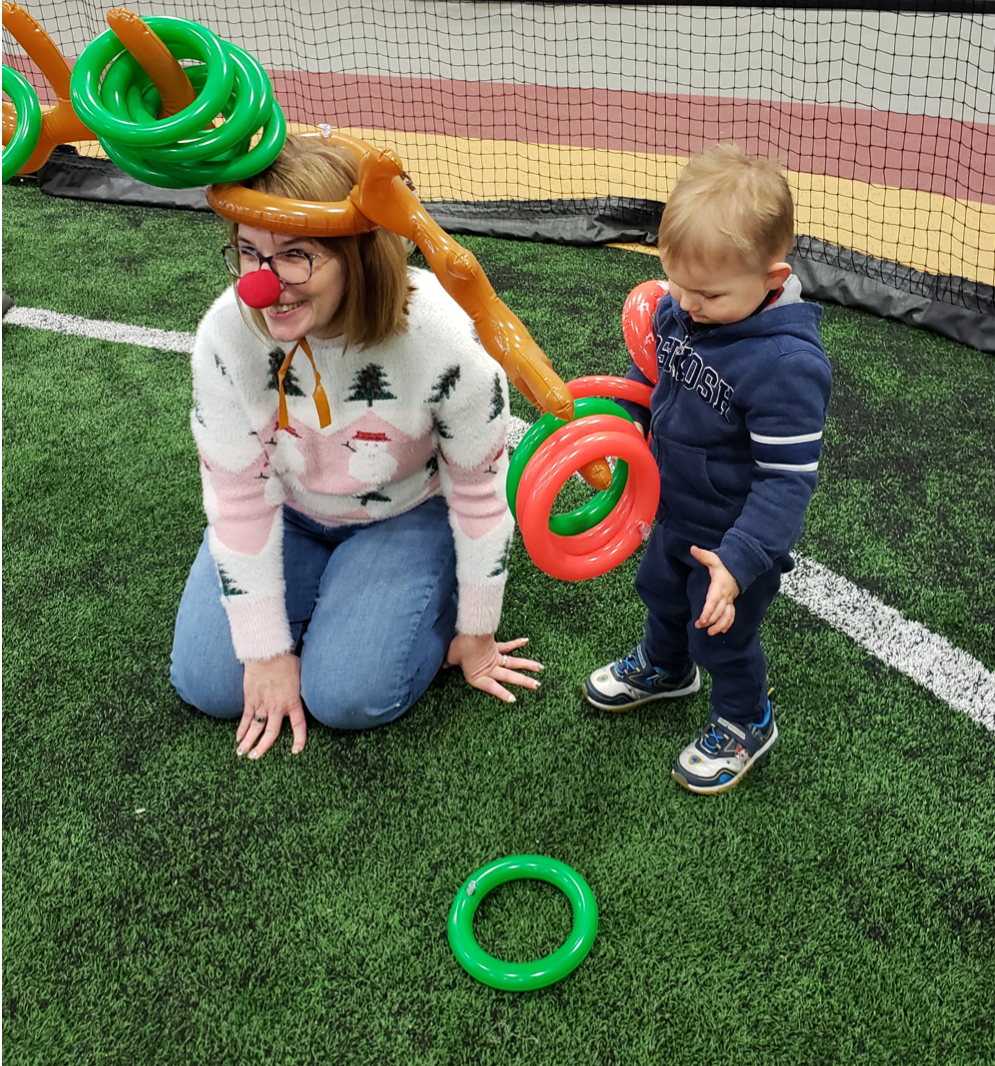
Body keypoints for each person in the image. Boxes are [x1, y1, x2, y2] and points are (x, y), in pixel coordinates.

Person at [171, 134, 541, 759]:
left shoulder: (442, 334)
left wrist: (476, 633)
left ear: (359, 256)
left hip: (405, 513)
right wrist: (265, 653)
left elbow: (481, 493)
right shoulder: (226, 334)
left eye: (296, 255)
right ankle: (325, 602)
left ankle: (422, 591)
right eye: (248, 252)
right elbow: (237, 500)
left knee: (348, 697)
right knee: (209, 682)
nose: (264, 286)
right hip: (289, 508)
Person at [583, 144, 831, 793]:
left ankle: (747, 719)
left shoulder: (786, 366)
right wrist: (619, 424)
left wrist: (742, 560)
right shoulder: (681, 306)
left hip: (731, 539)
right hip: (672, 505)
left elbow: (787, 481)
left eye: (709, 293)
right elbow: (650, 375)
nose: (685, 304)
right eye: (676, 283)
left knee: (720, 636)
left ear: (773, 277)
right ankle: (667, 669)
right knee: (661, 595)